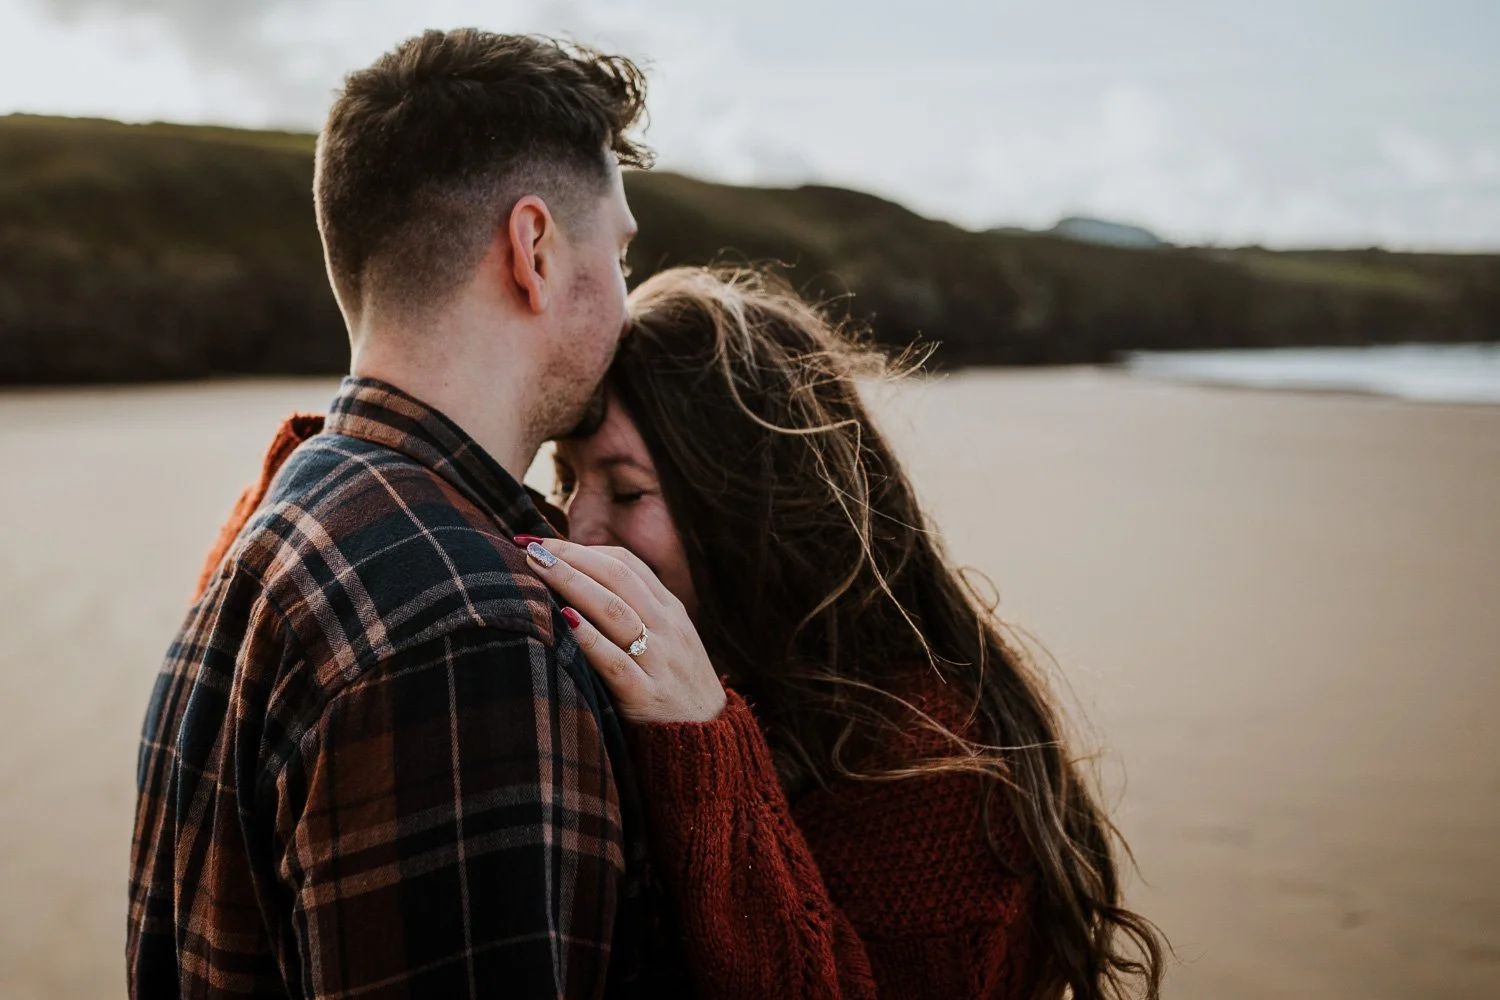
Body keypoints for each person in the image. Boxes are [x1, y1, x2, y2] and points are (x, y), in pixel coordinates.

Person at [127, 29, 658, 998]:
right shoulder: (467, 629)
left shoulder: (286, 520)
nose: (628, 298)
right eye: (621, 251)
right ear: (532, 248)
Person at [525, 266, 1169, 999]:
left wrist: (700, 745)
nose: (578, 526)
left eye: (628, 488)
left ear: (755, 500)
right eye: (565, 479)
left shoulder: (926, 771)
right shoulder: (725, 676)